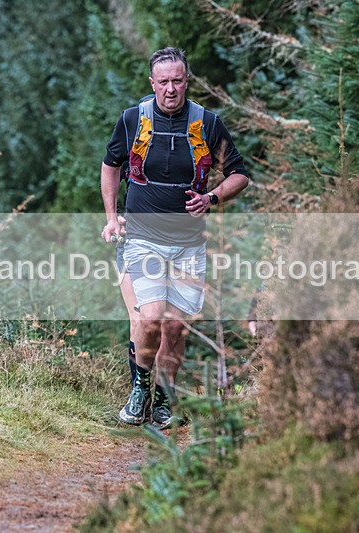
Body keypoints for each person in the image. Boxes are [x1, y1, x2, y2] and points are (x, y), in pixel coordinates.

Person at [100, 47, 250, 429]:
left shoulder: (207, 123)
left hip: (188, 244)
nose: (171, 89)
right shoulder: (133, 119)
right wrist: (112, 217)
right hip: (142, 236)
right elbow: (110, 165)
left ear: (187, 81)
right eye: (163, 81)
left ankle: (164, 399)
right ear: (152, 83)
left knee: (175, 327)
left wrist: (211, 197)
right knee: (150, 319)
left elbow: (239, 174)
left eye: (177, 81)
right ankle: (140, 389)